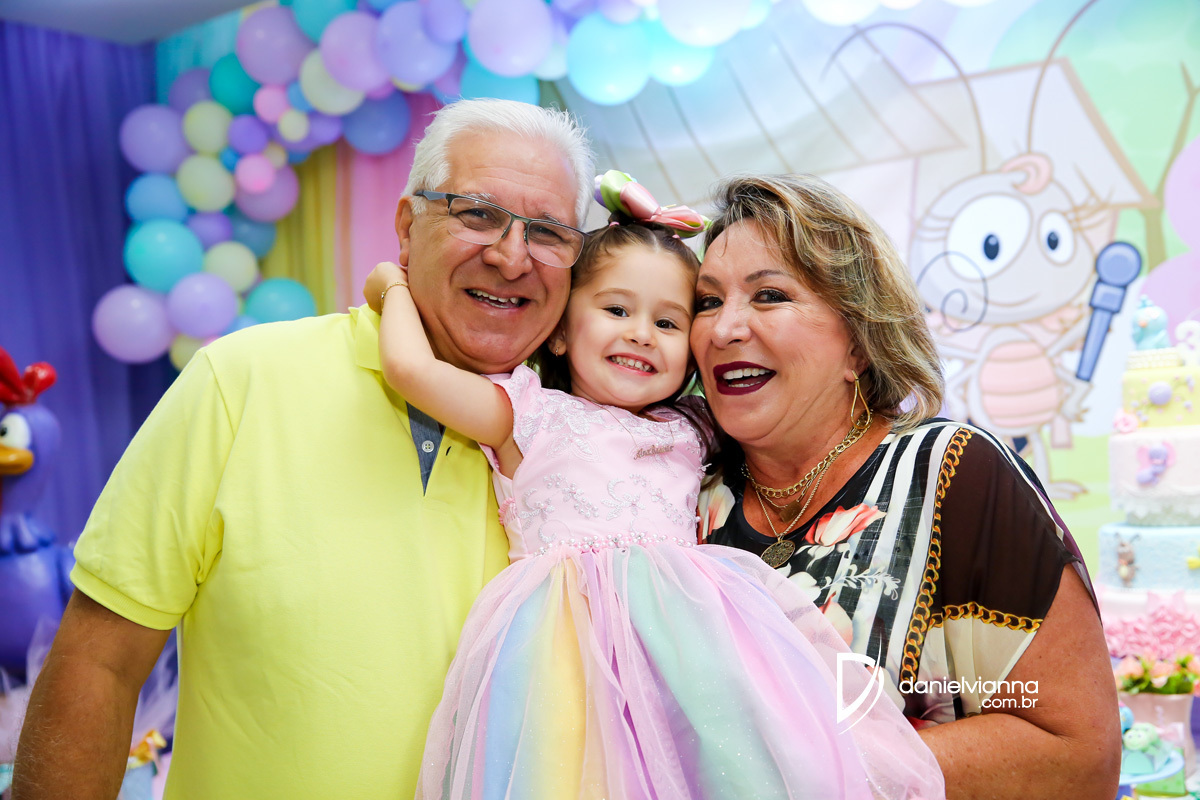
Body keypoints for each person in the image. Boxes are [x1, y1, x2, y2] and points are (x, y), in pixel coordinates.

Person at [13, 99, 595, 799]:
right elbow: (99, 665)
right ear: (407, 227)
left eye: (548, 232)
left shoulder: (587, 448)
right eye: (476, 214)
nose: (510, 256)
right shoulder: (240, 381)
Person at [362, 171, 946, 799]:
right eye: (616, 310)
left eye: (669, 323)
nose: (641, 333)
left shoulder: (693, 427)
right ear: (559, 329)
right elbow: (409, 369)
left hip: (684, 651)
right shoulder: (527, 414)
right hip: (559, 653)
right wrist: (392, 285)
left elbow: (805, 407)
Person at [691, 173, 1122, 798]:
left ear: (858, 343)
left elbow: (1077, 755)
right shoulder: (680, 496)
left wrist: (814, 769)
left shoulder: (954, 473)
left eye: (770, 296)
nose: (723, 328)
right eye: (706, 301)